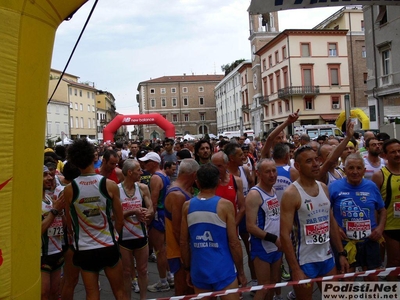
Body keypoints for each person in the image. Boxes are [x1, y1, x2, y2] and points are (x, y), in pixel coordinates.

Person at [280, 145, 349, 300]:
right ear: (297, 166)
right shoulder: (291, 194)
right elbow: (284, 235)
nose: (316, 164)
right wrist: (294, 268)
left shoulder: (324, 188)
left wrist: (341, 254)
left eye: (316, 160)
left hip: (327, 257)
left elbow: (331, 224)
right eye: (309, 161)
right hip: (304, 261)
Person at [63, 138, 125, 299]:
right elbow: (119, 219)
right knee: (119, 292)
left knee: (92, 293)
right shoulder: (109, 184)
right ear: (94, 157)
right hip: (108, 245)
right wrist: (114, 237)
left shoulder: (69, 189)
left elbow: (69, 224)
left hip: (84, 248)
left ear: (74, 162)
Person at [180, 164, 247, 299]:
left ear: (197, 182)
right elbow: (234, 242)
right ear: (217, 181)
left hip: (199, 269)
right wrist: (241, 271)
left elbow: (183, 242)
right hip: (224, 269)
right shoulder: (225, 205)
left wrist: (187, 269)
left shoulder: (187, 206)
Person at [329, 154, 386, 281]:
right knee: (347, 280)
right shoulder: (334, 187)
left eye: (359, 168)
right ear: (344, 169)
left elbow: (382, 210)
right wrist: (336, 228)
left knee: (372, 280)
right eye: (351, 168)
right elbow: (326, 212)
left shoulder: (371, 186)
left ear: (364, 170)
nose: (355, 172)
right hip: (346, 242)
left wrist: (380, 227)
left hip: (370, 240)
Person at [246, 159, 283, 300]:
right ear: (258, 173)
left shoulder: (273, 189)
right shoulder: (254, 194)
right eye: (267, 171)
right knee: (264, 287)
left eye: (274, 170)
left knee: (273, 284)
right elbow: (250, 226)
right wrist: (274, 239)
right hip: (262, 246)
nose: (272, 174)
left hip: (276, 245)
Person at [139, 152, 174, 292]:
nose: (144, 164)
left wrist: (148, 220)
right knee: (164, 248)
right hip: (164, 214)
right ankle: (170, 276)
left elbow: (152, 203)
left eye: (147, 162)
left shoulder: (155, 177)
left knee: (160, 250)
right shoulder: (164, 175)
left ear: (154, 163)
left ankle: (163, 281)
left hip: (158, 215)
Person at [118, 159, 153, 300]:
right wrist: (132, 212)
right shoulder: (116, 189)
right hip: (124, 237)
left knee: (143, 270)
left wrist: (147, 213)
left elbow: (151, 208)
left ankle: (143, 298)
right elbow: (112, 216)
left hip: (140, 235)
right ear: (129, 172)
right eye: (138, 170)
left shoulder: (143, 188)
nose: (141, 172)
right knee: (126, 272)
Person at [164, 159, 199, 295]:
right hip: (179, 252)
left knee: (189, 289)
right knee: (184, 290)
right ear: (194, 174)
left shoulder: (183, 190)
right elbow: (178, 231)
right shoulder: (177, 195)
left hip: (183, 250)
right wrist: (187, 256)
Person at [372, 139, 400, 281]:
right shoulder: (380, 175)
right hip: (390, 227)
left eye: (399, 151)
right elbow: (374, 204)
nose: (397, 154)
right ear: (385, 155)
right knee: (394, 262)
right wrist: (378, 226)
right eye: (393, 152)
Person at [41, 165, 65, 300]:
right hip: (42, 255)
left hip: (57, 251)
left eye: (50, 175)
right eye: (45, 175)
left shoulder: (51, 200)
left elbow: (62, 226)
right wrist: (55, 212)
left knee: (55, 292)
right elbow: (37, 231)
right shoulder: (33, 203)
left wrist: (62, 212)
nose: (50, 178)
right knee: (43, 294)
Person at [211, 151, 245, 227]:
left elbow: (242, 208)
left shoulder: (236, 181)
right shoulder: (209, 182)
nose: (216, 169)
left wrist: (233, 226)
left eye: (219, 166)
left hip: (232, 226)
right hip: (215, 228)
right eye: (214, 166)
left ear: (227, 165)